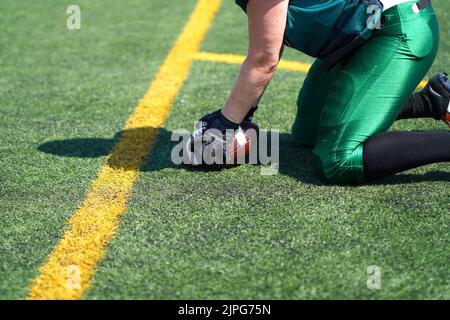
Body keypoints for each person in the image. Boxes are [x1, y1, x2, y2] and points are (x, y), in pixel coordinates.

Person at [187, 0, 450, 184]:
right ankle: (429, 101)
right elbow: (271, 39)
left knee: (337, 159)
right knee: (308, 133)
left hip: (395, 31)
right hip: (357, 37)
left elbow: (263, 60)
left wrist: (227, 123)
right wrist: (242, 114)